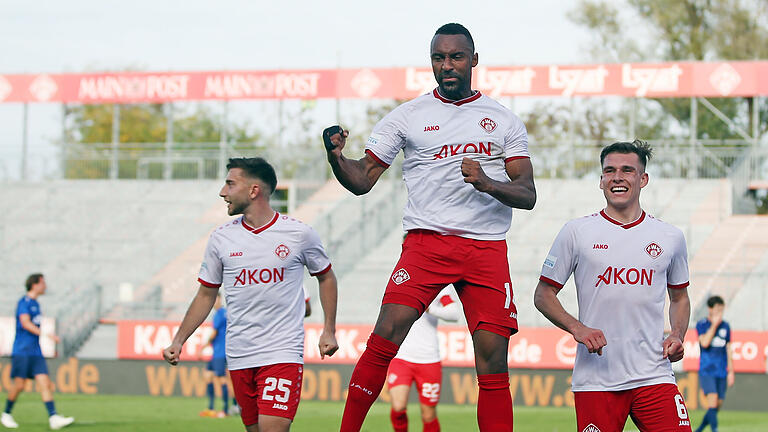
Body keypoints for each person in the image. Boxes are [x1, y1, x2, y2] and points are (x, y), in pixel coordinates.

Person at [323, 22, 536, 432]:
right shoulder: (407, 116)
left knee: (493, 360)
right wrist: (336, 157)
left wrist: (487, 182)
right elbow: (363, 180)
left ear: (473, 60)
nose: (447, 66)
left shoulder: (502, 120)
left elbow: (527, 193)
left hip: (486, 248)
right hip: (427, 244)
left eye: (456, 57)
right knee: (385, 333)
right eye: (439, 58)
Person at [163, 157, 339, 432]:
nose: (223, 192)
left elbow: (326, 277)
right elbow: (206, 294)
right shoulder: (220, 238)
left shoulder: (298, 233)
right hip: (240, 354)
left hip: (281, 352)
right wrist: (179, 339)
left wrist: (329, 329)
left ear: (254, 190)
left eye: (231, 184)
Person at [534, 140, 693, 432]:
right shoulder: (577, 232)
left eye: (627, 170)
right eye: (609, 171)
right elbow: (543, 295)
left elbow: (680, 297)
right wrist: (577, 328)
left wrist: (678, 334)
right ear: (601, 180)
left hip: (654, 375)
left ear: (643, 179)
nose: (617, 176)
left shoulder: (670, 237)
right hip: (597, 379)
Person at [1, 274, 75, 430]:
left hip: (35, 351)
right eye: (43, 283)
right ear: (34, 285)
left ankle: (53, 417)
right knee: (19, 385)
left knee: (45, 383)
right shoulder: (24, 302)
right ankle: (6, 414)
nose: (45, 286)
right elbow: (25, 323)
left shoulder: (36, 304)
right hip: (22, 350)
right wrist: (46, 334)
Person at [387, 286, 460, 432]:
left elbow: (454, 314)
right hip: (401, 357)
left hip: (429, 359)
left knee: (428, 415)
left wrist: (430, 309)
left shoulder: (440, 288)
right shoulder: (403, 283)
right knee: (398, 406)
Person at [694, 295, 734, 432]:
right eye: (717, 309)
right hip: (707, 370)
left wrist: (731, 372)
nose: (720, 312)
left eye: (721, 309)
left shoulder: (726, 326)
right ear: (710, 309)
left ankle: (699, 429)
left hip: (721, 371)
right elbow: (704, 343)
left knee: (717, 405)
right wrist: (714, 325)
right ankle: (714, 429)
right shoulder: (702, 324)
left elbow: (728, 349)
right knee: (713, 400)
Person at [197, 294, 232, 418]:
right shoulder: (224, 313)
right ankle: (211, 408)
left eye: (215, 299)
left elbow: (214, 334)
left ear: (219, 299)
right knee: (208, 376)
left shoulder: (220, 313)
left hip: (220, 353)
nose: (213, 302)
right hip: (217, 352)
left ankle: (225, 410)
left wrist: (203, 347)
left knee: (222, 379)